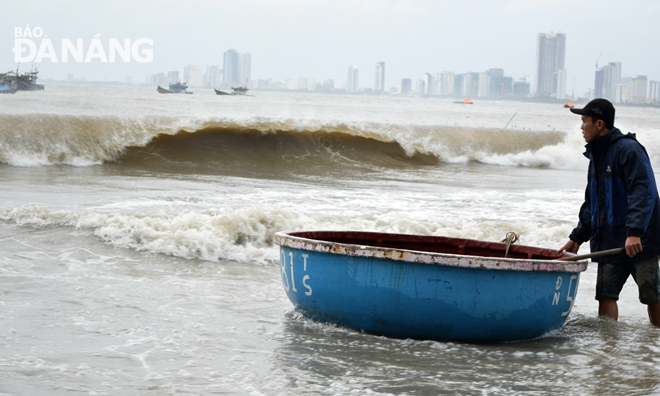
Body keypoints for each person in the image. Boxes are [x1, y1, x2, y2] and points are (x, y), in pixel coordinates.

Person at [559, 98, 660, 327]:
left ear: (600, 124)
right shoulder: (596, 155)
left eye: (585, 121)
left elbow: (643, 193)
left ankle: (655, 346)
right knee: (605, 295)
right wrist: (577, 238)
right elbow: (592, 202)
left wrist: (634, 232)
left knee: (651, 295)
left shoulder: (629, 150)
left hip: (640, 240)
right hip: (609, 240)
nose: (581, 127)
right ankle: (606, 353)